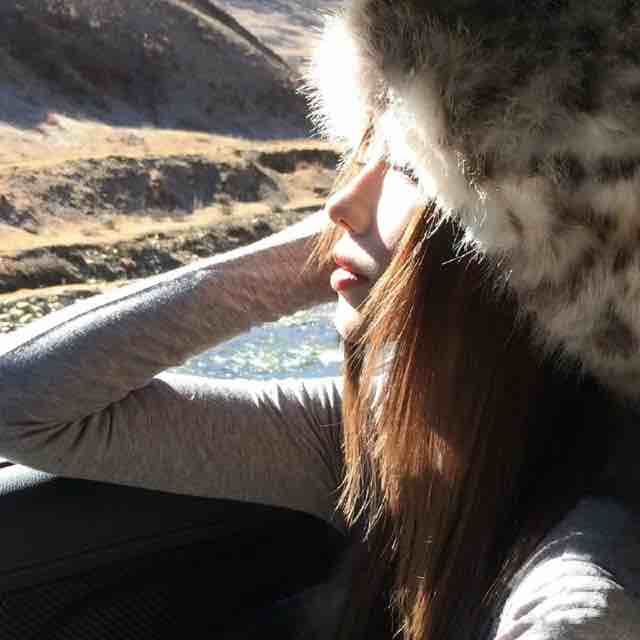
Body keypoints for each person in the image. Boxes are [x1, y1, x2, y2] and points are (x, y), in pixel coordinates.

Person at [2, 1, 640, 639]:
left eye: (404, 167)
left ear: (515, 233)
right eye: (358, 157)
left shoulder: (578, 588)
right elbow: (20, 402)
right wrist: (328, 249)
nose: (338, 204)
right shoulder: (379, 439)